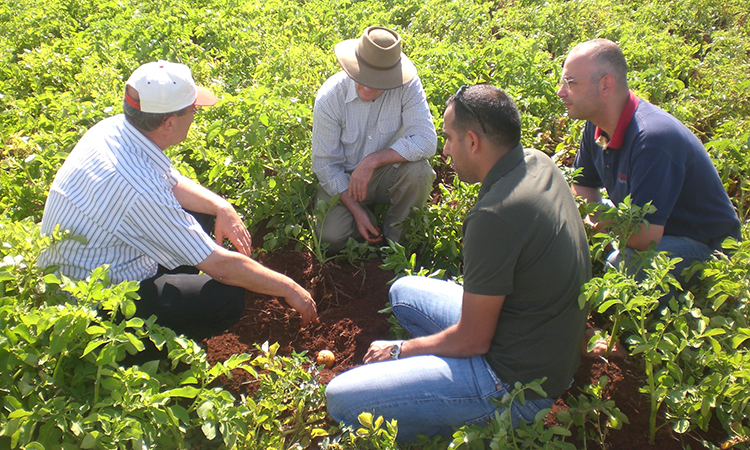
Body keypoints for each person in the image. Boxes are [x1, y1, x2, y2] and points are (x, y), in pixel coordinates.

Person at [325, 85, 591, 442]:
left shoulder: (495, 216)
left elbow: (473, 340)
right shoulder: (537, 162)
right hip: (541, 343)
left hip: (516, 384)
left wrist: (399, 350)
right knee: (403, 292)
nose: (445, 151)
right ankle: (443, 385)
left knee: (340, 399)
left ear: (473, 141)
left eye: (449, 139)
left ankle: (455, 421)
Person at [39, 60, 317, 346]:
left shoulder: (114, 129)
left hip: (99, 263)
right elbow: (221, 267)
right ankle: (157, 351)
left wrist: (222, 207)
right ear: (169, 123)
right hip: (93, 307)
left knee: (203, 211)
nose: (196, 114)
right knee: (228, 298)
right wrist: (289, 288)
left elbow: (168, 180)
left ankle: (178, 287)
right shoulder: (138, 190)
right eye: (192, 109)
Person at [558, 39, 741, 288]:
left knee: (622, 263)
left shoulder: (652, 138)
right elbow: (583, 184)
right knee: (561, 218)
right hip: (652, 228)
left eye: (570, 83)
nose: (561, 92)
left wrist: (594, 227)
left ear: (606, 85)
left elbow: (644, 237)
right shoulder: (596, 125)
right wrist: (594, 221)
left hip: (706, 246)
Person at [312, 26, 437, 254]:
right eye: (363, 76)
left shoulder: (406, 86)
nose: (368, 86)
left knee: (419, 172)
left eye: (378, 80)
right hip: (343, 177)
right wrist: (356, 209)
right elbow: (325, 165)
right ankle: (366, 218)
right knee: (330, 239)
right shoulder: (330, 97)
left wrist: (373, 161)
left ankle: (397, 246)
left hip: (385, 173)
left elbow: (427, 140)